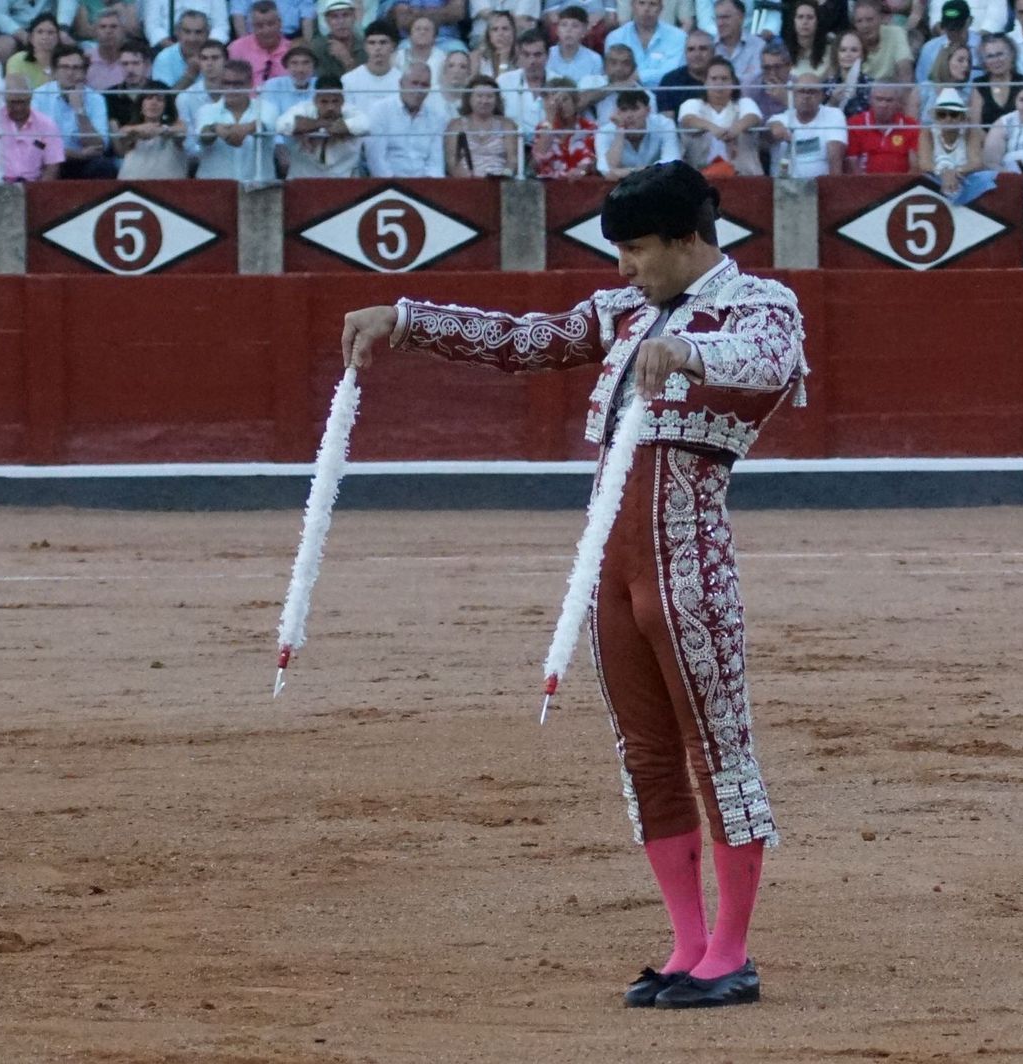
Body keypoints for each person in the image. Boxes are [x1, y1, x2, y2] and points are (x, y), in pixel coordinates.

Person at [338, 159, 800, 1012]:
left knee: (718, 751)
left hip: (687, 561)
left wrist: (689, 350)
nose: (623, 267)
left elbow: (767, 359)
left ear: (689, 239)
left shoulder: (761, 303)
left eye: (636, 250)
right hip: (610, 565)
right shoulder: (623, 309)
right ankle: (688, 944)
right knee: (648, 755)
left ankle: (731, 952)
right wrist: (406, 320)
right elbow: (526, 341)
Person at [34, 44, 114, 177]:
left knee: (103, 166)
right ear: (54, 71)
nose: (70, 73)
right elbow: (36, 143)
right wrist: (77, 154)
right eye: (64, 67)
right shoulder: (38, 96)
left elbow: (99, 147)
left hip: (83, 163)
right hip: (48, 161)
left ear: (84, 72)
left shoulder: (95, 99)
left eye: (76, 68)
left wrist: (80, 111)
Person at [363, 58, 448, 174]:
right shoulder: (380, 111)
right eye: (414, 83)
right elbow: (376, 160)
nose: (418, 90)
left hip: (425, 186)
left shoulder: (437, 117)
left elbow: (436, 163)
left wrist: (431, 188)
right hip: (388, 186)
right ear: (401, 84)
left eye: (424, 85)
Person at [195, 57, 276, 178]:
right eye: (226, 83)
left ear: (250, 83)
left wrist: (246, 129)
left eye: (237, 84)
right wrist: (214, 128)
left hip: (258, 189)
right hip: (214, 188)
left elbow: (266, 126)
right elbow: (203, 138)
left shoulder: (267, 107)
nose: (231, 89)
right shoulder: (206, 110)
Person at [678, 54, 762, 171]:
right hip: (700, 177)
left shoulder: (744, 102)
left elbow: (753, 117)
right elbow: (688, 120)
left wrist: (734, 130)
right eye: (714, 79)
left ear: (733, 82)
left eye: (724, 79)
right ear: (705, 82)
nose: (719, 83)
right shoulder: (692, 104)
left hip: (743, 176)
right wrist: (713, 128)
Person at [0, 72, 64, 179]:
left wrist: (40, 191)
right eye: (13, 102)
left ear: (30, 97)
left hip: (33, 186)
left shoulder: (47, 125)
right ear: (5, 99)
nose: (18, 108)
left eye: (22, 102)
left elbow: (52, 166)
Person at [275, 73, 368, 175]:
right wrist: (319, 123)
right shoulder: (303, 108)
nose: (330, 107)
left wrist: (342, 128)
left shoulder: (352, 111)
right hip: (303, 180)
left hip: (343, 180)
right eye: (324, 102)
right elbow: (281, 125)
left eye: (335, 101)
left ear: (342, 100)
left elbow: (366, 125)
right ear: (315, 100)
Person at [767, 70, 846, 174]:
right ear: (793, 95)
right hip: (785, 186)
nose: (806, 96)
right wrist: (773, 129)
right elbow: (766, 137)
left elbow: (835, 157)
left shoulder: (833, 114)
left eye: (812, 92)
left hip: (821, 185)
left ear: (821, 96)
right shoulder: (779, 119)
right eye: (802, 91)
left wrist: (834, 187)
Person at [445, 71, 518, 172]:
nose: (484, 101)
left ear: (497, 99)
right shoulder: (456, 125)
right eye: (479, 96)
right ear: (469, 98)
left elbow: (513, 160)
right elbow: (452, 161)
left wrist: (503, 176)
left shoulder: (508, 125)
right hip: (465, 183)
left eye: (489, 97)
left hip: (498, 182)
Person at [113, 78, 188, 176]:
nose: (153, 103)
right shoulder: (131, 127)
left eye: (159, 99)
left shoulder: (176, 125)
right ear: (141, 104)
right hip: (132, 186)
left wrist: (161, 130)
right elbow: (122, 134)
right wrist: (141, 129)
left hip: (168, 186)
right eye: (148, 98)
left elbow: (182, 131)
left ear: (166, 106)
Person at [595, 85, 678, 172]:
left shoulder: (664, 124)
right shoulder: (604, 132)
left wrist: (629, 172)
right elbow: (606, 170)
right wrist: (620, 132)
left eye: (635, 109)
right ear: (617, 112)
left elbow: (671, 163)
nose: (629, 115)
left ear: (648, 110)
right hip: (624, 183)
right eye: (624, 109)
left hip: (659, 182)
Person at [604, 0, 687, 86]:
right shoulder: (616, 37)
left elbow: (674, 72)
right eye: (641, 3)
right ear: (632, 6)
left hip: (666, 96)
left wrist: (639, 76)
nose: (646, 9)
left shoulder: (678, 36)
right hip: (626, 96)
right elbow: (613, 73)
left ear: (661, 8)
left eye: (653, 4)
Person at [845, 79, 920, 171]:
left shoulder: (910, 125)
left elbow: (915, 166)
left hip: (904, 183)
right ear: (870, 100)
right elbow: (852, 163)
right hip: (865, 183)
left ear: (898, 103)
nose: (883, 105)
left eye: (889, 100)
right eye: (879, 99)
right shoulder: (855, 124)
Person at [532, 75, 597, 175]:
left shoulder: (589, 127)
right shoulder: (542, 129)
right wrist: (550, 120)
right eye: (556, 101)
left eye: (565, 100)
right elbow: (540, 157)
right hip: (549, 185)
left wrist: (582, 171)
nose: (561, 105)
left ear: (575, 101)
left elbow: (593, 161)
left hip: (580, 184)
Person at [918, 84, 980, 187]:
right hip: (935, 183)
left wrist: (953, 173)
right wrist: (944, 173)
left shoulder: (971, 132)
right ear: (937, 117)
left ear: (962, 117)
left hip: (966, 181)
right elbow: (924, 164)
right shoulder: (927, 133)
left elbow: (976, 163)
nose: (948, 118)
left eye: (954, 114)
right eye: (942, 114)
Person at [579, 40, 657, 122]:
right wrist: (612, 87)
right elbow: (577, 104)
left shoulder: (647, 96)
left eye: (625, 63)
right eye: (613, 63)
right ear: (604, 66)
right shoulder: (590, 81)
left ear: (634, 68)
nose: (619, 68)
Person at [340, 19, 404, 114]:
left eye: (383, 42)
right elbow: (347, 114)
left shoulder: (403, 80)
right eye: (372, 43)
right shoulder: (349, 80)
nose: (377, 48)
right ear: (365, 46)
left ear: (393, 46)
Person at [228, 0, 293, 87]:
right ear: (252, 26)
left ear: (280, 23)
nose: (266, 31)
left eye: (271, 24)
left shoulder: (292, 49)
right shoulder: (236, 49)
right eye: (259, 26)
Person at [496, 26, 548, 129]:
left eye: (537, 55)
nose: (532, 61)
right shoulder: (503, 82)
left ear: (547, 55)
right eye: (526, 55)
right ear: (518, 55)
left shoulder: (559, 83)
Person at [915, 0, 979, 83]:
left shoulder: (982, 46)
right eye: (950, 29)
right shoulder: (929, 49)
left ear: (969, 21)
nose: (954, 33)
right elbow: (922, 85)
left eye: (958, 28)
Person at [853, 0, 915, 85]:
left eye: (870, 20)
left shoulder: (896, 33)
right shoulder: (851, 41)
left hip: (890, 93)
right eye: (859, 21)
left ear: (880, 19)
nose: (865, 26)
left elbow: (905, 73)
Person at [969, 32, 1023, 126]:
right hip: (985, 139)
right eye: (990, 56)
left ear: (1012, 54)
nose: (996, 60)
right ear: (984, 61)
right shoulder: (979, 85)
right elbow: (975, 126)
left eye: (1000, 54)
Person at [656, 26, 713, 114]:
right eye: (691, 49)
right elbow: (667, 123)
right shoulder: (669, 81)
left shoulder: (724, 77)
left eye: (703, 49)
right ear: (685, 53)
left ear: (713, 52)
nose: (697, 54)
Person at [151, 10, 211, 87]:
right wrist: (190, 75)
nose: (192, 39)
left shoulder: (217, 56)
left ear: (208, 33)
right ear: (177, 32)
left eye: (198, 32)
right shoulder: (164, 58)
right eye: (187, 32)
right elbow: (164, 98)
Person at [712, 0, 763, 88]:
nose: (720, 23)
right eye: (717, 18)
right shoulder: (708, 48)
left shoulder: (759, 46)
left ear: (741, 18)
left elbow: (757, 81)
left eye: (725, 17)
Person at [260, 43, 319, 117]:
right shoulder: (272, 85)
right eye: (294, 63)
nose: (300, 69)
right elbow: (268, 119)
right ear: (286, 66)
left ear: (314, 66)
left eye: (306, 63)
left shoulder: (322, 85)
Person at [2, 12, 57, 88]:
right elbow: (15, 94)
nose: (45, 37)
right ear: (31, 38)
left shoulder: (65, 62)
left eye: (50, 33)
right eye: (40, 32)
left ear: (58, 38)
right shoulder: (18, 60)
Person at [141, 0, 229, 47]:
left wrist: (206, 49)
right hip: (167, 46)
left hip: (206, 45)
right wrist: (173, 49)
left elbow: (221, 26)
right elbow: (152, 26)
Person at [310, 0, 362, 79]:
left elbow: (364, 85)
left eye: (346, 15)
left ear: (354, 17)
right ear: (327, 21)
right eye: (334, 16)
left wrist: (347, 60)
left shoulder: (366, 45)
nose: (341, 22)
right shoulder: (317, 48)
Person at [550, 4, 605, 79]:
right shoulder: (547, 55)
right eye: (564, 25)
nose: (568, 30)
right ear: (557, 30)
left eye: (575, 26)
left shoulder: (594, 59)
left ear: (584, 30)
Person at [781, 0, 832, 77]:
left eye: (810, 17)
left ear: (818, 21)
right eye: (800, 17)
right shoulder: (783, 53)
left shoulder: (831, 52)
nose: (805, 22)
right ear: (793, 21)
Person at [81, 8, 126, 90]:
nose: (108, 31)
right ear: (95, 32)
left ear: (123, 31)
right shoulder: (85, 60)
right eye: (103, 27)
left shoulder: (133, 61)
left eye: (114, 26)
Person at [230, 0, 313, 40]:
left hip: (291, 38)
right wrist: (245, 43)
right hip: (254, 37)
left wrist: (305, 45)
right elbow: (238, 15)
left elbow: (307, 17)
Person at [473, 6, 519, 76]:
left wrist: (504, 61)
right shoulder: (477, 58)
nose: (500, 34)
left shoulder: (522, 57)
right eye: (495, 29)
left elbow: (504, 85)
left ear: (513, 32)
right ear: (489, 35)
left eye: (505, 29)